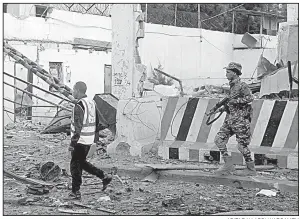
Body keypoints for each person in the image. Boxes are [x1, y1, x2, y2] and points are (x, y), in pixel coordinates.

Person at [67, 81, 112, 200]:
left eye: (73, 89)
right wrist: (94, 139)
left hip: (80, 140)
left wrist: (72, 143)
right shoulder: (91, 103)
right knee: (82, 163)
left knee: (75, 166)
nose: (72, 92)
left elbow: (78, 126)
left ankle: (75, 191)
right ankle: (104, 176)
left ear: (77, 90)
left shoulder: (79, 106)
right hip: (88, 138)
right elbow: (98, 122)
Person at [214, 62, 256, 176]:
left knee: (242, 146)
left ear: (235, 73)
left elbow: (250, 98)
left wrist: (235, 101)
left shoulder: (242, 85)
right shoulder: (232, 86)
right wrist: (221, 109)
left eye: (228, 72)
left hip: (240, 120)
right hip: (230, 120)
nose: (226, 74)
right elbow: (230, 104)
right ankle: (228, 165)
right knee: (219, 140)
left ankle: (251, 168)